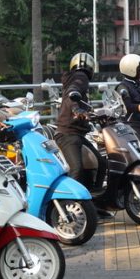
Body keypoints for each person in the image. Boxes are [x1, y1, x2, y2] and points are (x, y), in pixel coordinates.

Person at [55, 52, 106, 190]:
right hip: (67, 134)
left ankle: (94, 197)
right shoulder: (81, 77)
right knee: (76, 169)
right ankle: (70, 198)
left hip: (77, 134)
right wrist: (76, 109)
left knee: (102, 163)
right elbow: (72, 93)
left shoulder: (74, 77)